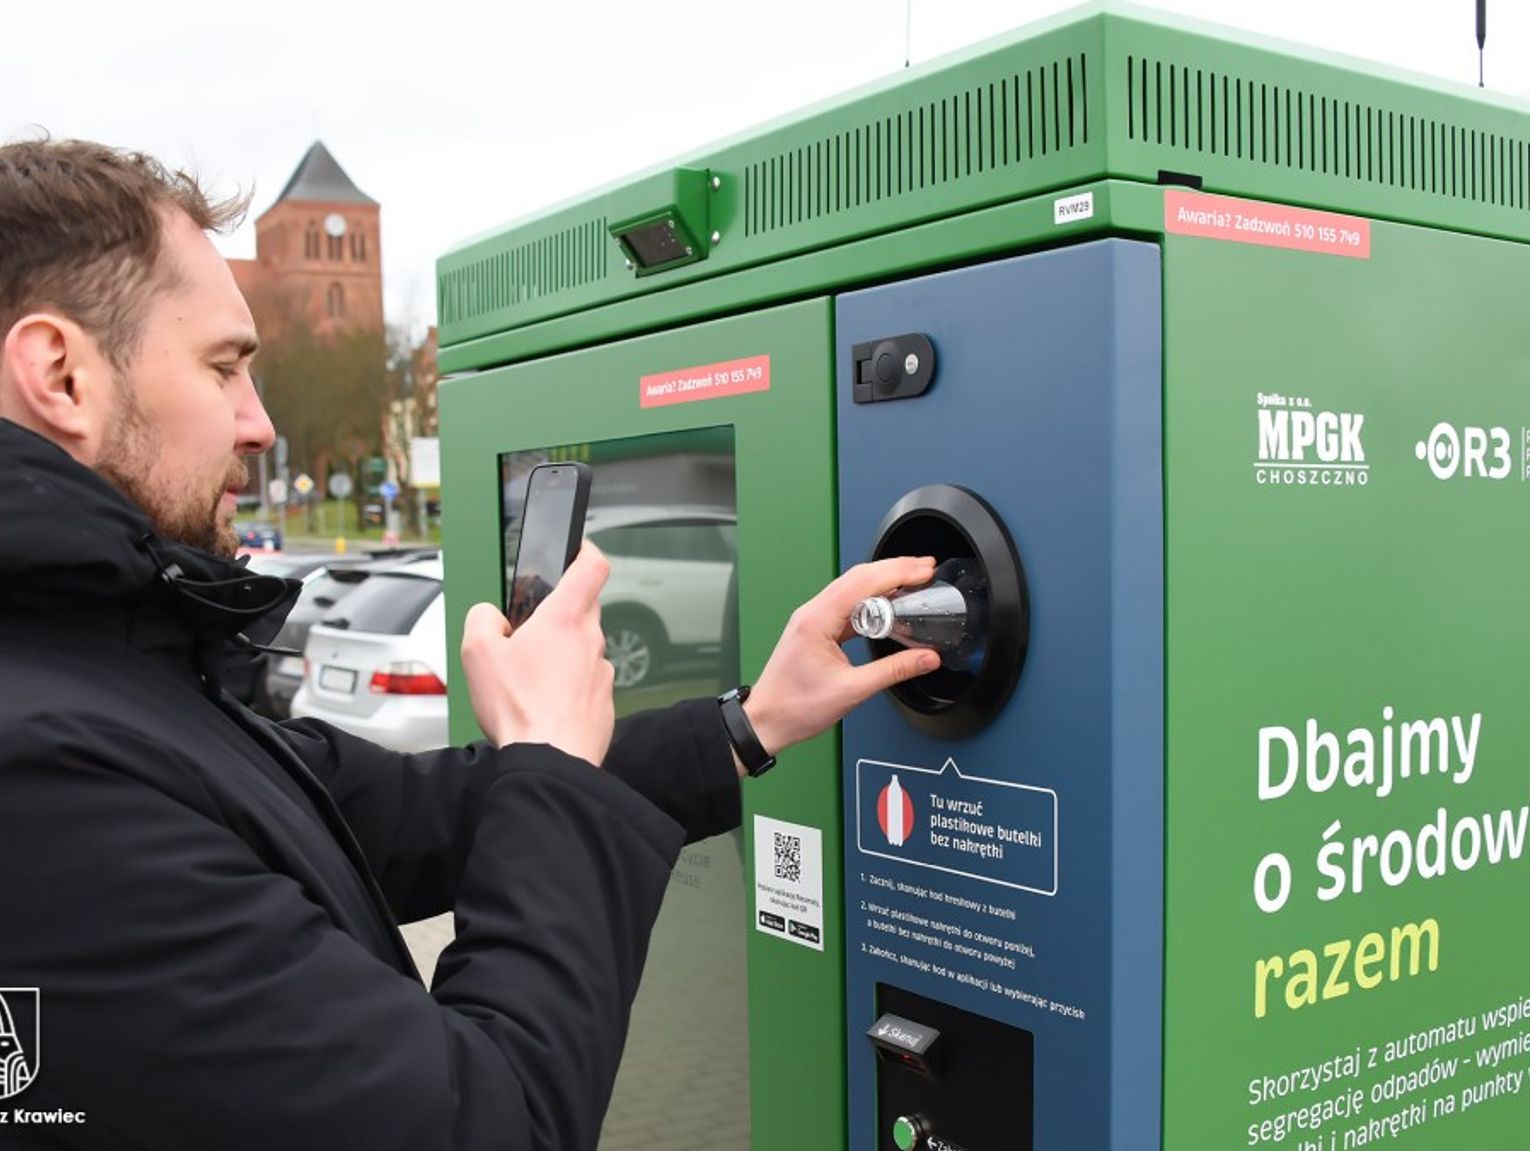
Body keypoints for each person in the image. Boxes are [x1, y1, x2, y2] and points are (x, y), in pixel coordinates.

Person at [0, 137, 939, 1150]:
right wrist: (544, 752)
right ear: (61, 374)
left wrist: (749, 722)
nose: (260, 421)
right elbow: (491, 1120)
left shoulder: (113, 680)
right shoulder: (41, 781)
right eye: (224, 365)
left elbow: (421, 812)